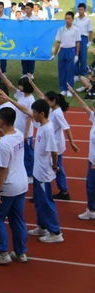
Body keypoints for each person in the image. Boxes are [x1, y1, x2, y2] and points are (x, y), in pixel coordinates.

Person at [7, 98, 65, 243]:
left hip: (44, 173)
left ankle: (55, 232)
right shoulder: (42, 125)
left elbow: (54, 151)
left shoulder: (48, 130)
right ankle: (42, 226)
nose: (32, 114)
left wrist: (55, 165)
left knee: (46, 201)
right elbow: (25, 110)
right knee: (39, 201)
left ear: (42, 113)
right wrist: (9, 99)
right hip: (38, 171)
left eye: (34, 112)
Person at [0, 107, 29, 265]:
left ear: (2, 121)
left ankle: (2, 253)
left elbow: (2, 169)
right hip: (21, 183)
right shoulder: (18, 134)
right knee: (17, 219)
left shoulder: (3, 144)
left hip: (8, 186)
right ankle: (20, 252)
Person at [67, 85, 95, 220]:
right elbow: (85, 107)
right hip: (92, 159)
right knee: (91, 186)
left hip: (94, 162)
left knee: (90, 186)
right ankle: (91, 209)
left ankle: (91, 209)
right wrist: (73, 92)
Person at [53, 11, 81, 97]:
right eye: (66, 18)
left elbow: (77, 43)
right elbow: (58, 42)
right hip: (63, 50)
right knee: (62, 70)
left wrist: (76, 55)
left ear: (72, 19)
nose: (67, 20)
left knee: (70, 71)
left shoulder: (76, 30)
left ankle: (69, 89)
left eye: (69, 18)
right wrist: (54, 53)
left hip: (71, 51)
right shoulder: (61, 29)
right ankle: (63, 89)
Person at [73, 3, 92, 80]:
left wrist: (89, 41)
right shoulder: (76, 20)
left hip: (84, 38)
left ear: (84, 10)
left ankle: (83, 74)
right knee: (76, 56)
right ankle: (76, 74)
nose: (80, 11)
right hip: (76, 39)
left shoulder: (88, 20)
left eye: (81, 9)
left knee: (83, 57)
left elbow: (90, 31)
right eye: (79, 9)